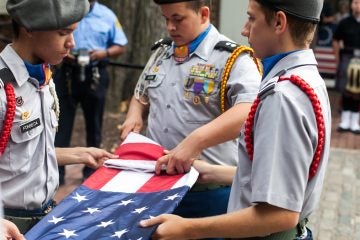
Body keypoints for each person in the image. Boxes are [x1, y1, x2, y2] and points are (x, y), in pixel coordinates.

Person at [140, 0, 332, 239]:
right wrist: (211, 171)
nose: (244, 29)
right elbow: (278, 177)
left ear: (279, 22)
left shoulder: (282, 96)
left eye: (251, 18)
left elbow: (279, 213)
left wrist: (188, 228)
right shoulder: (306, 78)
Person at [119, 0, 261, 221]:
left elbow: (249, 110)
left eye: (177, 19)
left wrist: (196, 141)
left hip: (207, 191)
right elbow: (143, 91)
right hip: (156, 184)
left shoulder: (232, 58)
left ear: (203, 14)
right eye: (166, 19)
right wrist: (135, 113)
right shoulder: (162, 51)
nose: (170, 27)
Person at [0, 0, 118, 234]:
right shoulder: (4, 88)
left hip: (43, 220)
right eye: (63, 33)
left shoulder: (44, 78)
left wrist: (79, 154)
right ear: (29, 27)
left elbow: (22, 155)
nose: (71, 43)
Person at [54, 0, 128, 182]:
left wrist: (104, 53)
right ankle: (57, 174)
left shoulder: (107, 15)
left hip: (95, 73)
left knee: (94, 124)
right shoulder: (64, 9)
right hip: (67, 72)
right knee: (61, 124)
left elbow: (121, 45)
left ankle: (91, 173)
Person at [333, 0, 360, 134]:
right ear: (351, 5)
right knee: (346, 91)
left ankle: (355, 122)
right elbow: (336, 40)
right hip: (347, 58)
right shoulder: (344, 22)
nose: (357, 5)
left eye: (359, 3)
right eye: (355, 2)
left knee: (358, 93)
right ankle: (344, 121)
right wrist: (338, 59)